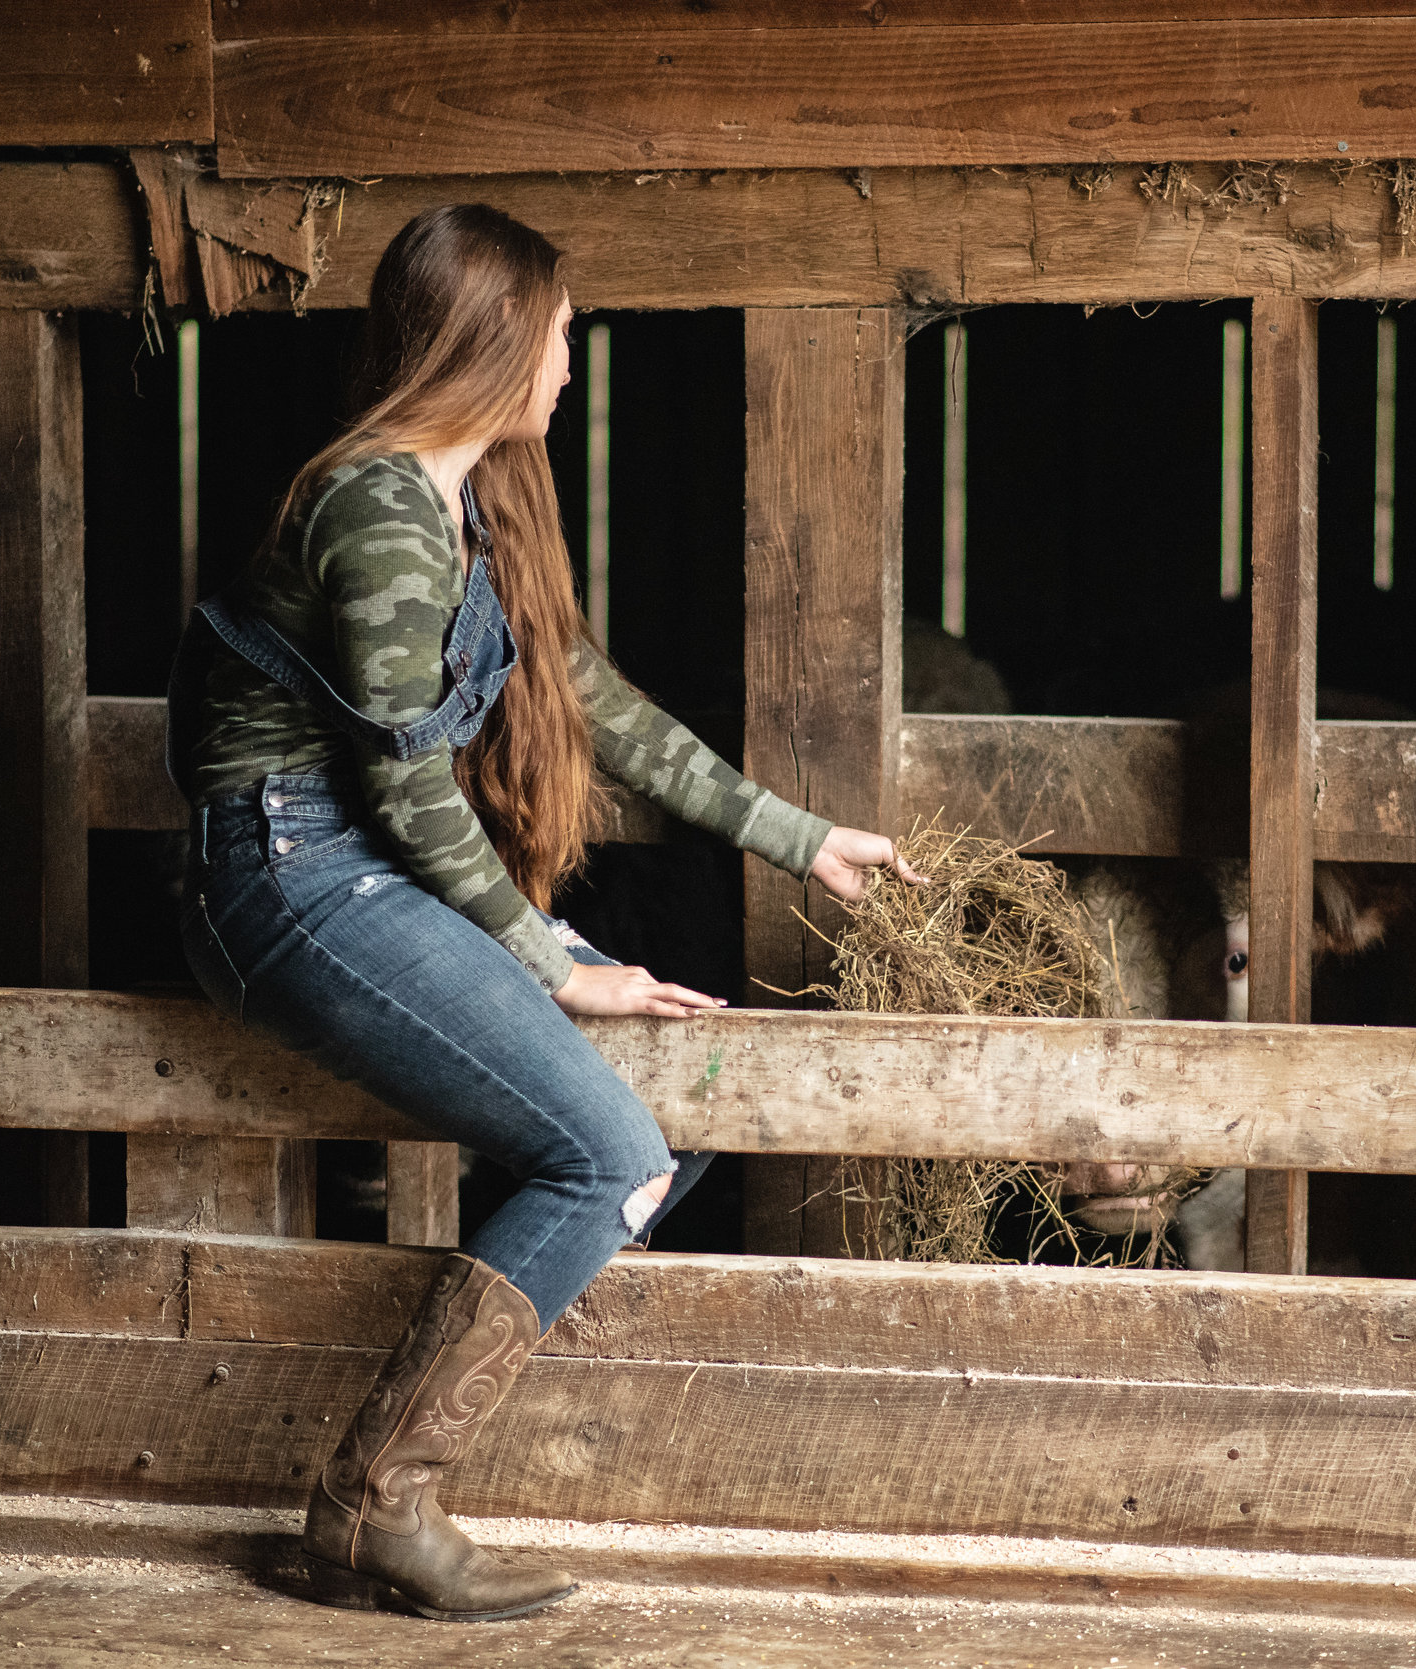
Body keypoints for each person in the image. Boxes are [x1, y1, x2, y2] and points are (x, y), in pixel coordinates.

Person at [164, 203, 919, 1624]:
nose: (572, 366)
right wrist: (551, 961)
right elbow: (400, 784)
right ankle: (376, 1499)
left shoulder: (469, 502)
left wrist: (799, 838)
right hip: (284, 872)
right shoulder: (377, 507)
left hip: (360, 868)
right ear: (502, 341)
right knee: (611, 1150)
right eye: (563, 336)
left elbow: (593, 707)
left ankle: (387, 1464)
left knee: (654, 1119)